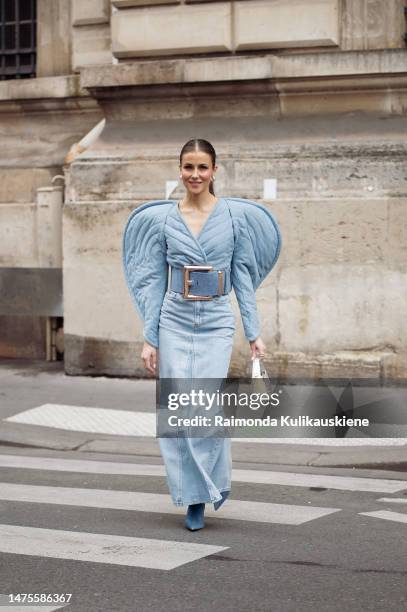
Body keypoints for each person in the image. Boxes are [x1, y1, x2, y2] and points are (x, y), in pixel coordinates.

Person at [122, 138, 281, 531]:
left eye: (202, 168)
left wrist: (254, 332)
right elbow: (154, 282)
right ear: (180, 170)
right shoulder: (163, 219)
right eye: (188, 167)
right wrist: (150, 337)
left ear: (214, 171)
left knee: (206, 406)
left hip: (215, 321)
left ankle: (212, 483)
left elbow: (242, 278)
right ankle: (193, 496)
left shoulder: (233, 218)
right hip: (174, 317)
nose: (195, 175)